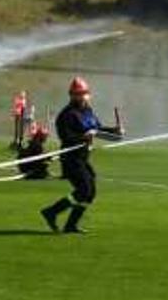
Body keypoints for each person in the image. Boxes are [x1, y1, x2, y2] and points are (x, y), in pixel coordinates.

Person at [39, 77, 122, 234]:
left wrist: (114, 130)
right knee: (84, 190)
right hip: (71, 159)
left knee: (90, 193)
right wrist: (84, 137)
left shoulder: (88, 111)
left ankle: (70, 225)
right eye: (78, 94)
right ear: (71, 95)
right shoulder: (67, 115)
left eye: (84, 93)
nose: (82, 97)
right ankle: (51, 212)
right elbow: (66, 138)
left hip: (83, 158)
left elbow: (97, 129)